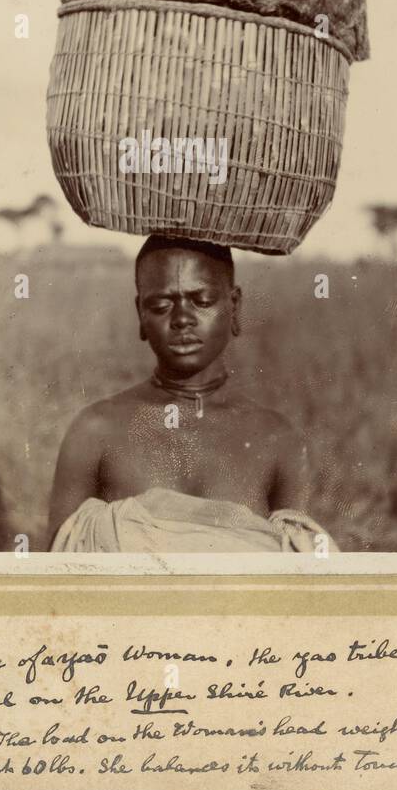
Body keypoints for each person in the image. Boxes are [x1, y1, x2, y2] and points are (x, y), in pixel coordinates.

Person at [47, 234, 333, 553]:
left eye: (202, 301)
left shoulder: (278, 440)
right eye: (161, 305)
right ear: (141, 313)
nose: (182, 319)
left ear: (234, 305)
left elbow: (299, 586)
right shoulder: (95, 432)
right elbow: (58, 579)